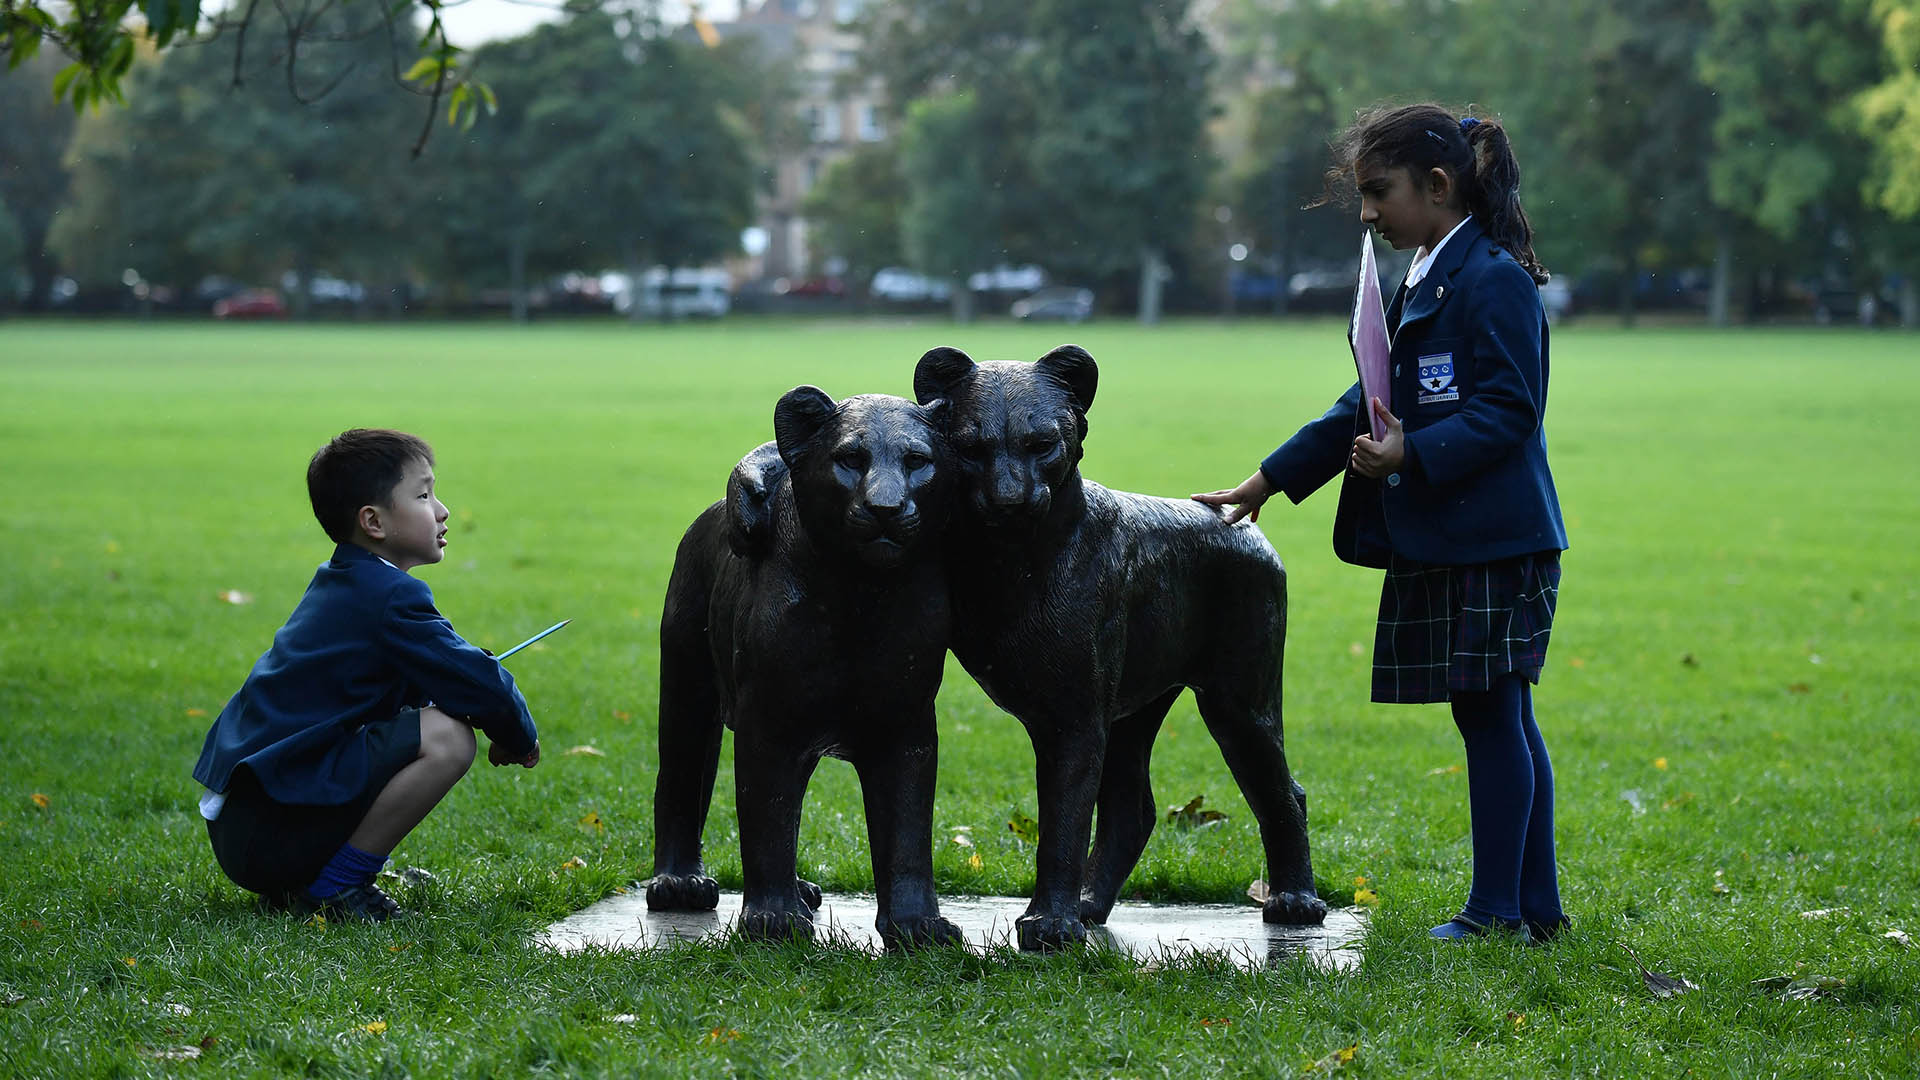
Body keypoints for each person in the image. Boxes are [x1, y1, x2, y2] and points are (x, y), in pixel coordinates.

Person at [1194, 103, 1568, 943]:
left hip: (1499, 540)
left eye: (1377, 192)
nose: (1367, 213)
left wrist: (1410, 456)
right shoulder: (1426, 274)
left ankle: (1497, 914)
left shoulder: (1493, 278)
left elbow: (1512, 411)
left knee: (1493, 714)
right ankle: (1535, 912)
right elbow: (1361, 405)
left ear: (1437, 187)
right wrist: (1265, 481)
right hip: (1454, 536)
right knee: (1498, 714)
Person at [193, 429, 540, 921]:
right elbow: (479, 682)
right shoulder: (390, 597)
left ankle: (311, 881)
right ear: (373, 521)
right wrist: (519, 738)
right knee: (448, 738)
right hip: (267, 830)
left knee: (428, 716)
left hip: (248, 827)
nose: (442, 510)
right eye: (423, 495)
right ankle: (337, 887)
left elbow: (453, 675)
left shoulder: (345, 580)